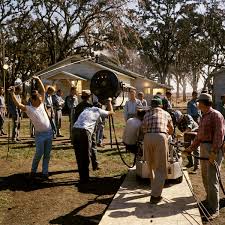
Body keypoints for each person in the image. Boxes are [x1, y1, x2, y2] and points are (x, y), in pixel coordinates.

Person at [184, 93, 225, 220]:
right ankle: (209, 199)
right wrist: (191, 148)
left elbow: (219, 135)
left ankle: (214, 209)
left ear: (204, 103)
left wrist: (213, 152)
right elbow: (199, 136)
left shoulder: (216, 115)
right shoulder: (203, 116)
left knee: (212, 179)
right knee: (205, 176)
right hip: (203, 148)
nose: (197, 104)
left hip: (213, 149)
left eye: (199, 102)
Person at [9, 76, 53, 179]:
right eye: (39, 99)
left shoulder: (41, 104)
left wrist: (38, 79)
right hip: (40, 135)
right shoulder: (29, 109)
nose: (41, 99)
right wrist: (12, 94)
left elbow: (43, 91)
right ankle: (33, 172)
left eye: (40, 98)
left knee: (47, 155)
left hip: (49, 133)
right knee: (39, 154)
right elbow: (18, 104)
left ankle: (45, 173)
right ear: (33, 100)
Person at [72, 97, 114, 184]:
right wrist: (109, 101)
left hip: (75, 130)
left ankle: (82, 177)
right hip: (84, 131)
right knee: (86, 155)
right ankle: (85, 179)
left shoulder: (86, 109)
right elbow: (111, 112)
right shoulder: (98, 110)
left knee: (79, 155)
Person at [142, 98, 174, 204]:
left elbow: (143, 128)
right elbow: (171, 128)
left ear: (151, 105)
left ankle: (153, 188)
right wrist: (168, 135)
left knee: (151, 165)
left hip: (147, 138)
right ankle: (155, 196)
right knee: (160, 168)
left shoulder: (146, 114)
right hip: (160, 137)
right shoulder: (166, 113)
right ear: (161, 106)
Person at [73, 90, 100, 169]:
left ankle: (83, 166)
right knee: (93, 146)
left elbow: (75, 119)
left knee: (82, 149)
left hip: (80, 130)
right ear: (89, 97)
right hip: (90, 129)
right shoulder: (91, 106)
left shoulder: (78, 106)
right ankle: (94, 164)